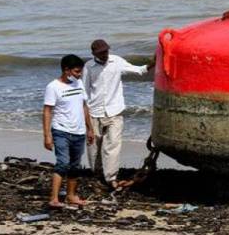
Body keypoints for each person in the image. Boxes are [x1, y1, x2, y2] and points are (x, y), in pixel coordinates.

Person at [82, 39, 155, 190]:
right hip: (94, 112)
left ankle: (111, 178)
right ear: (93, 53)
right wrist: (87, 123)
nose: (105, 55)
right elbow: (84, 94)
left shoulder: (117, 61)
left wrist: (153, 62)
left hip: (115, 111)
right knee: (94, 147)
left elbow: (139, 70)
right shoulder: (88, 67)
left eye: (106, 51)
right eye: (101, 53)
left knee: (113, 145)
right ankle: (96, 174)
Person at [43, 54, 94, 208]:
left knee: (75, 165)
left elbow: (84, 106)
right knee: (62, 164)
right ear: (66, 70)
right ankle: (54, 199)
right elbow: (47, 111)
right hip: (61, 131)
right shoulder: (53, 87)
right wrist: (47, 136)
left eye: (81, 72)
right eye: (77, 71)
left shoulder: (78, 84)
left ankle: (71, 196)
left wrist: (90, 128)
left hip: (79, 132)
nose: (80, 75)